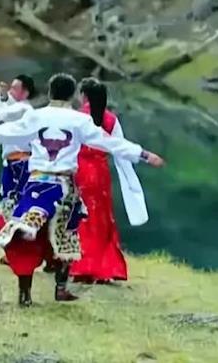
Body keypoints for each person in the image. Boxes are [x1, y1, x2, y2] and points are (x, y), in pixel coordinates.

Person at [0, 73, 164, 306]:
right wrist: (143, 154)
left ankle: (25, 294)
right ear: (73, 95)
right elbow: (109, 142)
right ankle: (60, 288)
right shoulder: (79, 121)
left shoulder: (36, 116)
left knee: (28, 235)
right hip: (64, 186)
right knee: (67, 234)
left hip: (37, 183)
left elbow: (7, 132)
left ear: (50, 92)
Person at [70, 78, 148, 284]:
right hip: (100, 173)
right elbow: (120, 149)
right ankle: (105, 267)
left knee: (78, 216)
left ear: (84, 95)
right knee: (102, 218)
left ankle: (80, 265)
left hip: (78, 171)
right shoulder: (111, 120)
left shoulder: (77, 117)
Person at [0, 75, 36, 266]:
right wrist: (3, 97)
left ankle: (20, 251)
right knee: (7, 206)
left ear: (25, 93)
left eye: (14, 88)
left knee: (19, 207)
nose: (10, 91)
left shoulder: (26, 110)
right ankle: (12, 250)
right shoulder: (15, 108)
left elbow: (5, 113)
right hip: (11, 164)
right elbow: (6, 111)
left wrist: (3, 98)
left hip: (22, 164)